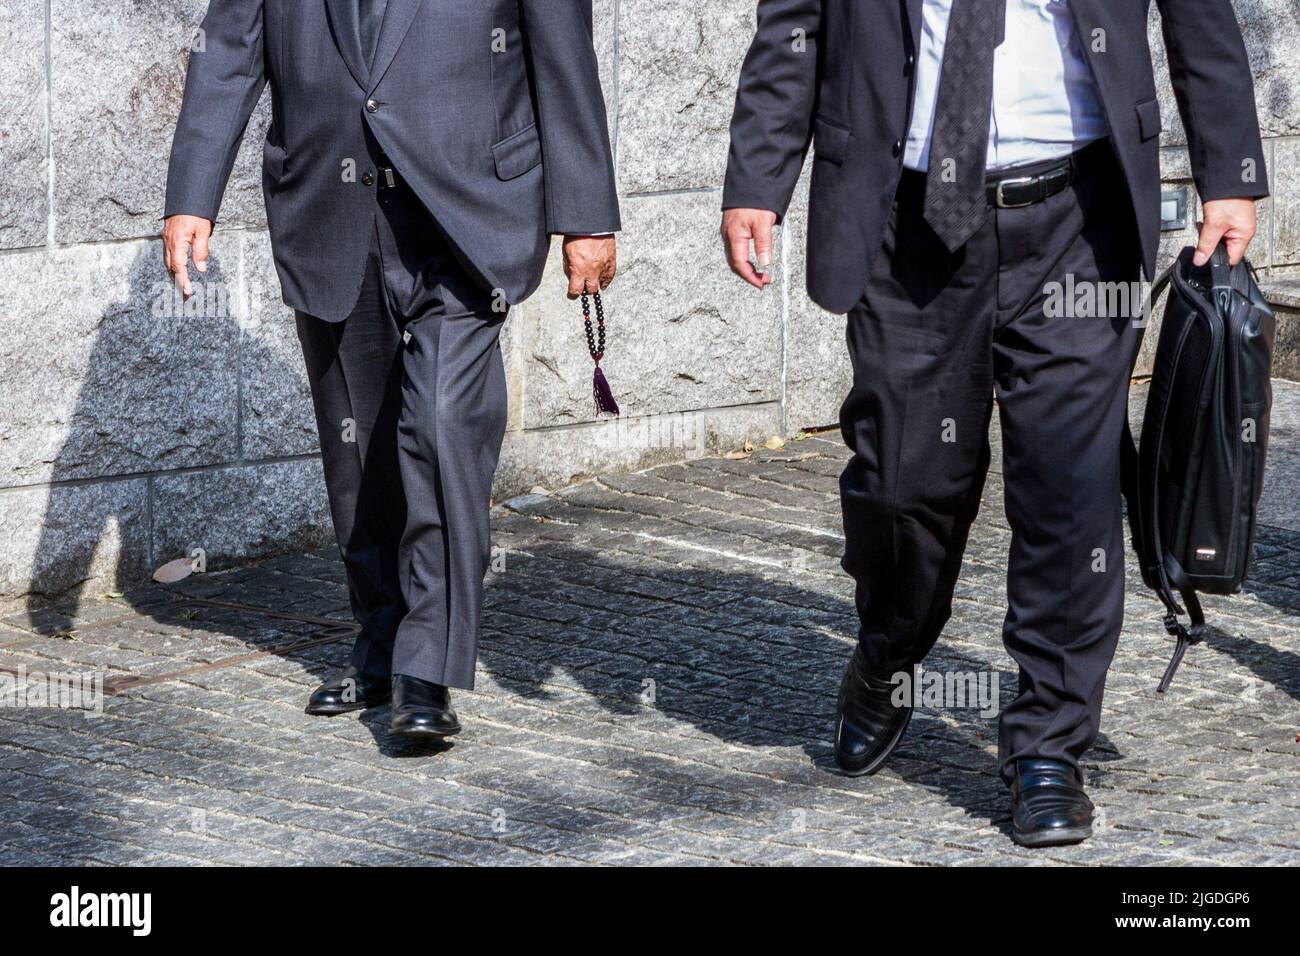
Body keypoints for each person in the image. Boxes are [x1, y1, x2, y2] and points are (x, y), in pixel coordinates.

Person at [720, 0, 1267, 846]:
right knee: (902, 486)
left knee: (1070, 488)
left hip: (1080, 220)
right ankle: (889, 648)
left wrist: (1227, 172)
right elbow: (796, 21)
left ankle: (1048, 744)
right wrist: (758, 177)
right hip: (910, 225)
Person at [163, 0, 620, 739]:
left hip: (471, 205)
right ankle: (379, 639)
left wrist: (588, 214)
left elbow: (563, 50)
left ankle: (426, 667)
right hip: (329, 198)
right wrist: (191, 196)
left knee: (441, 422)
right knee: (358, 441)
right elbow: (230, 43)